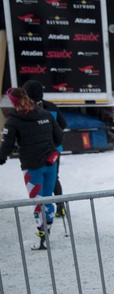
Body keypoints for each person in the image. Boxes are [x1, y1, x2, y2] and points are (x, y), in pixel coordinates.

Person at [0, 87, 63, 249]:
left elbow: (6, 145)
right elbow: (59, 136)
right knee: (48, 200)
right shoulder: (45, 113)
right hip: (51, 162)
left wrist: (1, 158)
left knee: (37, 202)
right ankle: (46, 233)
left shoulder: (12, 120)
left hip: (32, 166)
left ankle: (43, 238)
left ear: (12, 102)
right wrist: (49, 149)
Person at [23, 80, 68, 218]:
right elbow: (63, 124)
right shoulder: (52, 107)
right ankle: (60, 206)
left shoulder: (26, 110)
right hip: (54, 150)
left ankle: (42, 208)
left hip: (36, 150)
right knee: (53, 177)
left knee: (38, 178)